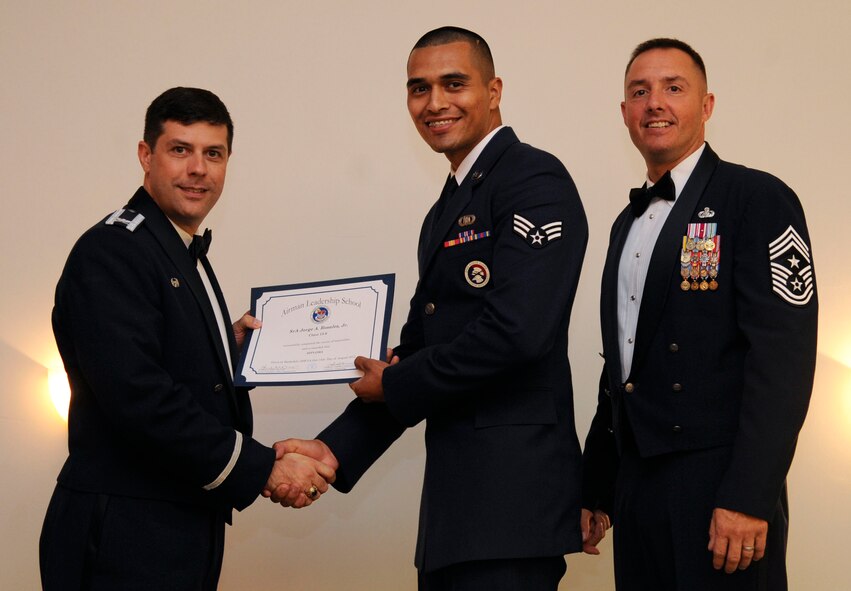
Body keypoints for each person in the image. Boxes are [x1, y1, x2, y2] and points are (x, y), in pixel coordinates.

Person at [294, 26, 589, 590]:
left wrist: (398, 385)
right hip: (461, 519)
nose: (434, 103)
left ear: (494, 89)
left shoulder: (532, 178)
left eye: (454, 83)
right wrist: (332, 450)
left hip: (510, 510)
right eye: (419, 88)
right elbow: (418, 352)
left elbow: (518, 332)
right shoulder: (447, 208)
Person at [39, 87, 337, 590]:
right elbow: (140, 396)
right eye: (180, 149)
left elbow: (163, 360)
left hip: (171, 525)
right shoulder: (114, 249)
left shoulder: (175, 248)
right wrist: (262, 468)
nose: (198, 168)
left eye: (213, 153)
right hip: (123, 531)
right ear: (145, 155)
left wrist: (226, 350)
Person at [581, 39, 818, 590]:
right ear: (624, 113)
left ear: (706, 105)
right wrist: (597, 486)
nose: (654, 104)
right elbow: (620, 365)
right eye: (639, 92)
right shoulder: (625, 223)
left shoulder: (757, 198)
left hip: (719, 489)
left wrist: (748, 496)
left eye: (673, 88)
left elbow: (783, 360)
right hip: (637, 489)